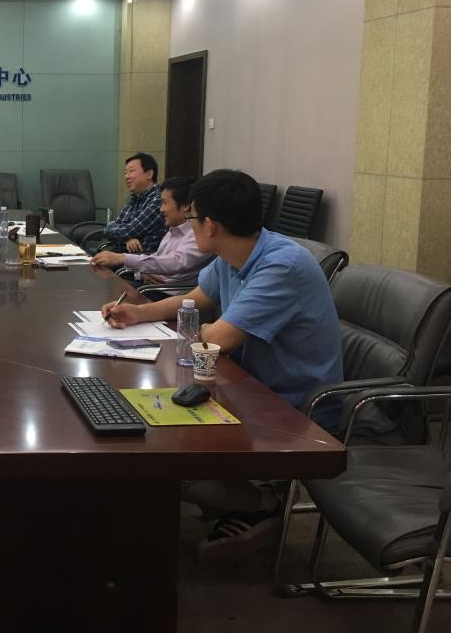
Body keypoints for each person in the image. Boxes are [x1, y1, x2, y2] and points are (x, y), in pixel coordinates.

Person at [101, 169, 343, 561]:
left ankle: (263, 503)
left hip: (290, 405)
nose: (189, 225)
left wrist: (188, 333)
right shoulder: (234, 254)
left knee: (160, 454)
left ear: (211, 225)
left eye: (192, 218)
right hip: (248, 384)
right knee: (151, 428)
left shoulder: (281, 265)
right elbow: (196, 299)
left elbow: (216, 339)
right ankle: (235, 496)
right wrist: (138, 313)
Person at [90, 175, 211, 286]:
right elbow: (157, 258)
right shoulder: (173, 230)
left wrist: (122, 258)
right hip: (151, 287)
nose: (161, 209)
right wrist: (142, 273)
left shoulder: (197, 234)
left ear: (185, 206)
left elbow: (174, 262)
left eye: (164, 203)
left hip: (167, 294)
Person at [101, 153, 166, 254]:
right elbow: (111, 228)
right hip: (123, 255)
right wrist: (127, 239)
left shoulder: (159, 199)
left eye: (131, 171)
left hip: (143, 259)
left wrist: (123, 234)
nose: (126, 177)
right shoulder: (135, 197)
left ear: (149, 174)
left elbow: (128, 230)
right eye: (125, 172)